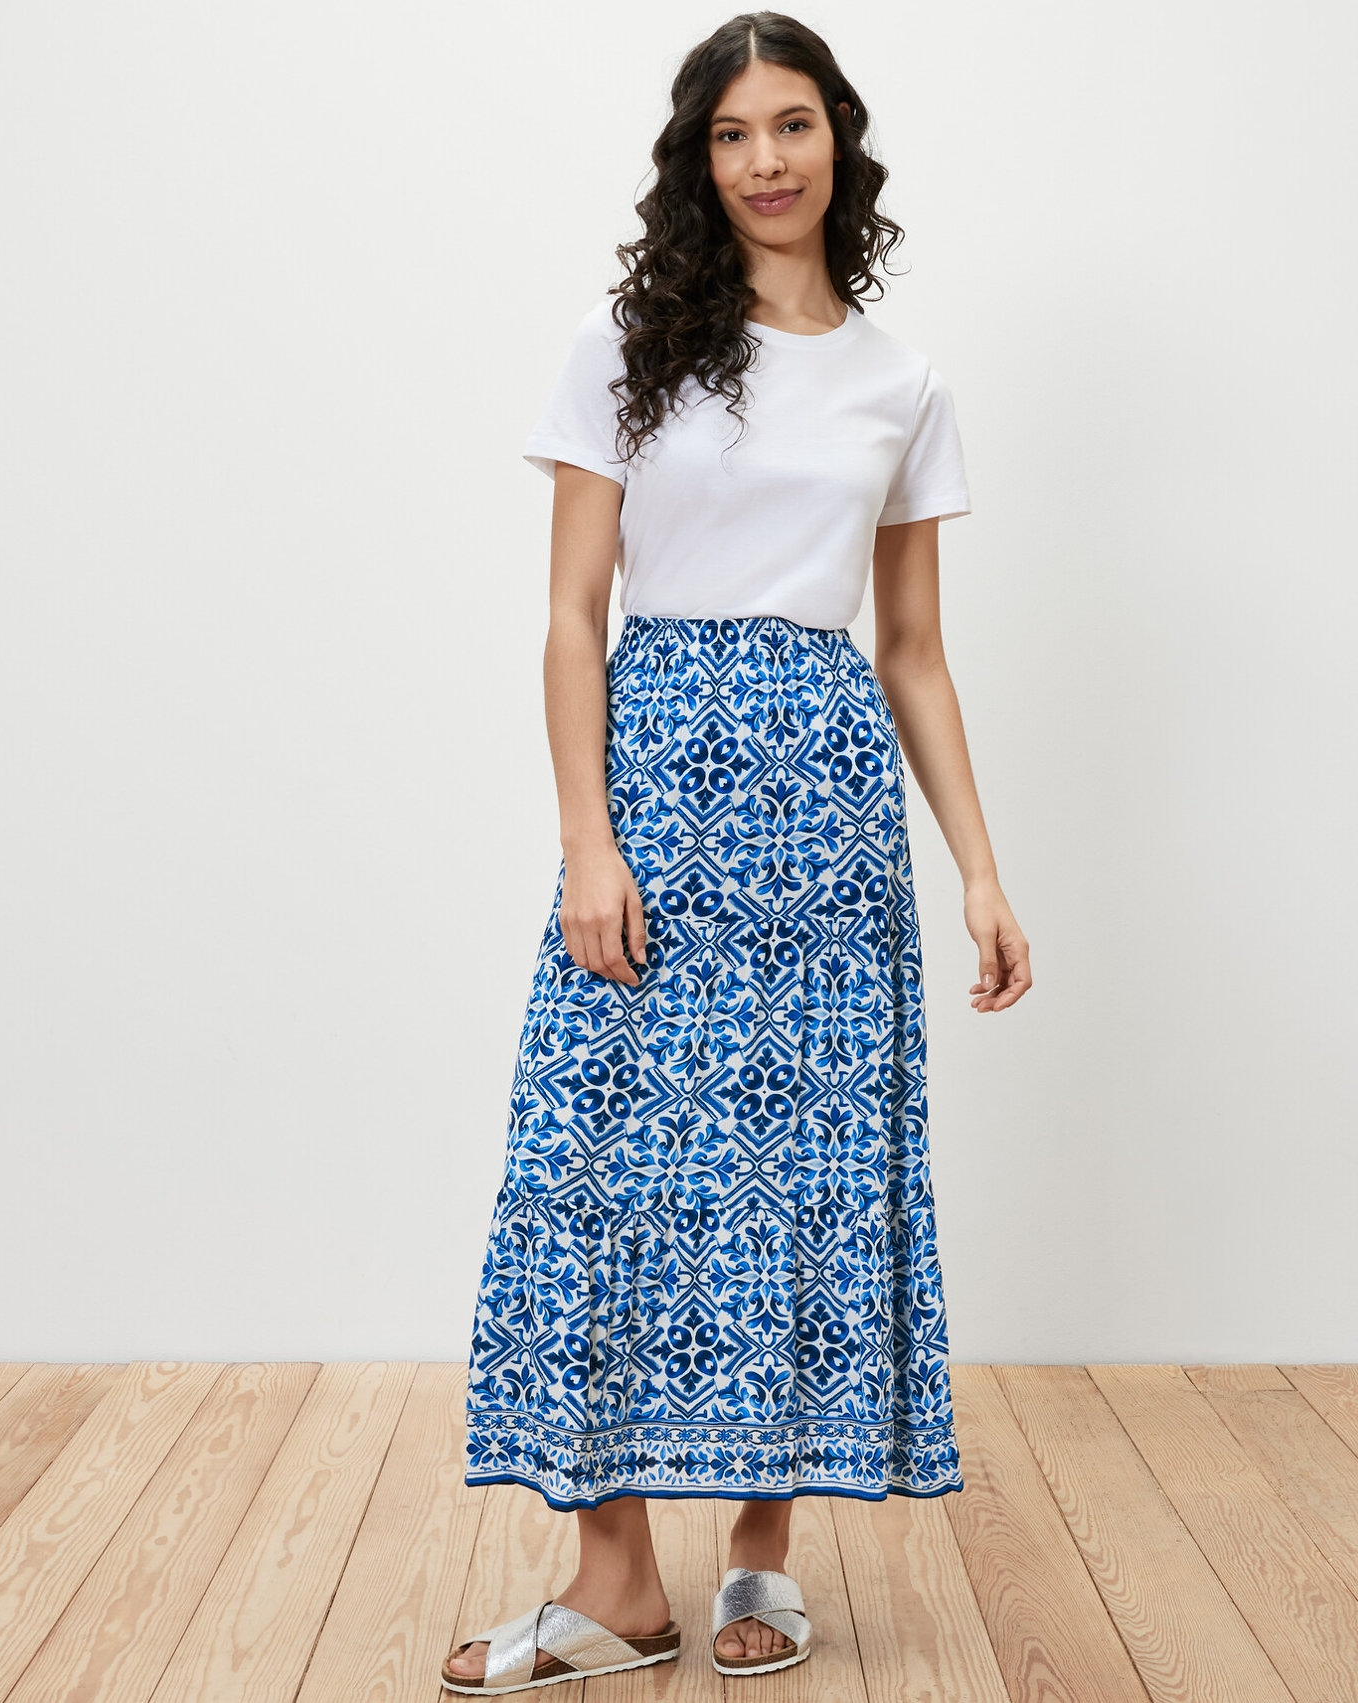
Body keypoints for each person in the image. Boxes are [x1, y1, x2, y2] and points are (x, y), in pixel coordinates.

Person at [443, 11, 1031, 1694]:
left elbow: (911, 649)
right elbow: (572, 614)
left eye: (791, 125)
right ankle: (615, 1581)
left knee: (800, 1176)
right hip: (655, 786)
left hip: (827, 811)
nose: (765, 160)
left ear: (840, 139)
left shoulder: (902, 383)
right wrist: (587, 839)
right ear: (696, 162)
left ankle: (763, 1552)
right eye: (730, 133)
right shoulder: (626, 344)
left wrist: (982, 871)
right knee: (595, 1168)